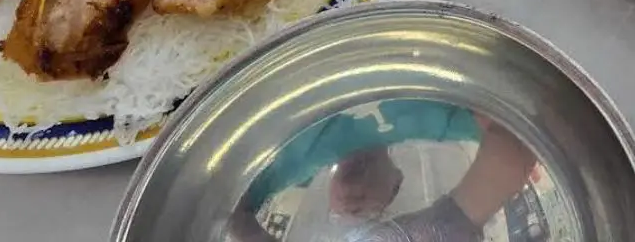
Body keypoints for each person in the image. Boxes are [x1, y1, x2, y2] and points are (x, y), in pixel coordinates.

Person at [225, 103, 540, 242]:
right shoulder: (441, 122)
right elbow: (521, 136)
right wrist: (451, 220)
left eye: (354, 217)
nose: (358, 204)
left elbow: (216, 212)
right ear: (399, 177)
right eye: (390, 201)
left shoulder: (281, 171)